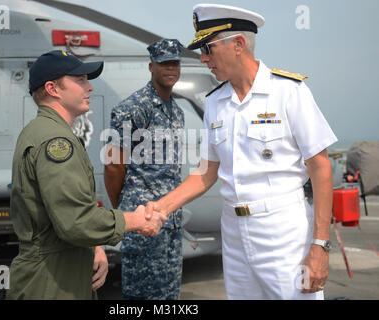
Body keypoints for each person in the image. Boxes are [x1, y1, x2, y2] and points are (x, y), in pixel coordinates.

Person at [144, 4, 337, 300]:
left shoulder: (289, 92)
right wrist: (162, 207)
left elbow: (320, 167)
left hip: (283, 230)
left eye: (208, 48)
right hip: (233, 234)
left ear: (238, 44)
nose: (203, 58)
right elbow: (206, 173)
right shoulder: (215, 102)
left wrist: (320, 245)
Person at [6, 50, 166, 300]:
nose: (89, 87)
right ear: (53, 88)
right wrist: (135, 221)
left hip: (59, 272)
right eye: (80, 80)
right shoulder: (55, 141)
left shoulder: (42, 131)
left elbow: (60, 213)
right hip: (52, 284)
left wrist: (94, 246)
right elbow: (76, 221)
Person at [104, 39, 184, 300]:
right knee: (142, 296)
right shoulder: (134, 108)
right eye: (164, 63)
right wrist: (123, 209)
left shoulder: (176, 111)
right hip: (143, 220)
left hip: (169, 219)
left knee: (169, 294)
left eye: (175, 63)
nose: (170, 69)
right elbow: (114, 165)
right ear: (152, 66)